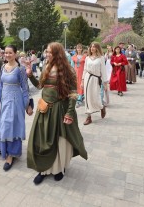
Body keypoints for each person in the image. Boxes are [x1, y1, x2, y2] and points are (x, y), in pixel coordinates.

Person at [26, 42, 88, 185]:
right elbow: (39, 86)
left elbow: (73, 94)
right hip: (44, 109)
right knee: (42, 140)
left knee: (59, 141)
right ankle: (43, 170)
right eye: (46, 51)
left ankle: (59, 169)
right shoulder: (46, 67)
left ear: (57, 53)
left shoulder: (69, 71)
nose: (47, 54)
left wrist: (69, 113)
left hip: (60, 110)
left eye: (49, 52)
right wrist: (30, 75)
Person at [0, 45, 33, 171]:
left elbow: (25, 88)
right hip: (4, 100)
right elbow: (0, 85)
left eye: (10, 53)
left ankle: (11, 154)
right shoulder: (2, 67)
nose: (7, 55)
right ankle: (5, 151)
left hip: (15, 101)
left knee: (12, 125)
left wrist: (27, 105)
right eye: (5, 53)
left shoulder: (20, 69)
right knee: (4, 125)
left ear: (15, 54)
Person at [82, 42, 109, 125]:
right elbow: (85, 70)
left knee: (95, 97)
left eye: (94, 47)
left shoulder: (101, 58)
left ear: (97, 48)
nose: (92, 48)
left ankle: (101, 107)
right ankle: (88, 117)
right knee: (87, 98)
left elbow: (103, 72)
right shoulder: (87, 58)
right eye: (91, 47)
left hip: (96, 79)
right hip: (87, 78)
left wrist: (105, 83)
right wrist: (82, 81)